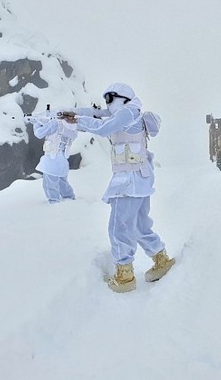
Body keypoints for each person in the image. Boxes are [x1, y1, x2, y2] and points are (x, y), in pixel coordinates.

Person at [74, 83, 175, 293]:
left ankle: (125, 275)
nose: (108, 104)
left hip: (128, 182)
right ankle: (160, 258)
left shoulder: (128, 113)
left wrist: (77, 120)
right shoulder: (131, 113)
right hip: (139, 179)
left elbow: (102, 128)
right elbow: (99, 115)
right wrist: (75, 115)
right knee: (139, 225)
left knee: (118, 227)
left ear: (122, 98)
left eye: (110, 99)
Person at [26, 109, 78, 204]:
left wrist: (36, 122)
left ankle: (53, 202)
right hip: (63, 158)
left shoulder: (55, 123)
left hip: (53, 157)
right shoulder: (73, 127)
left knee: (50, 183)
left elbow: (39, 133)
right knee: (62, 182)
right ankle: (70, 198)